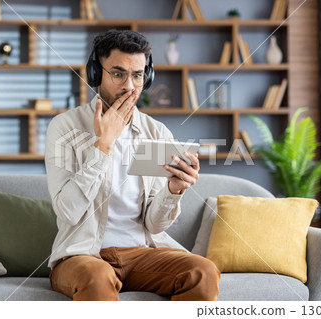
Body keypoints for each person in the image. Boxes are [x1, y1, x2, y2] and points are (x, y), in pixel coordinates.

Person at [44, 29, 220, 301]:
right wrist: (103, 145)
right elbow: (68, 212)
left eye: (137, 75)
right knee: (98, 277)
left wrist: (173, 190)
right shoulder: (64, 127)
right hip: (83, 256)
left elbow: (155, 224)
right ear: (95, 74)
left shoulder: (156, 132)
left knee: (203, 271)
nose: (129, 86)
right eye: (118, 73)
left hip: (142, 253)